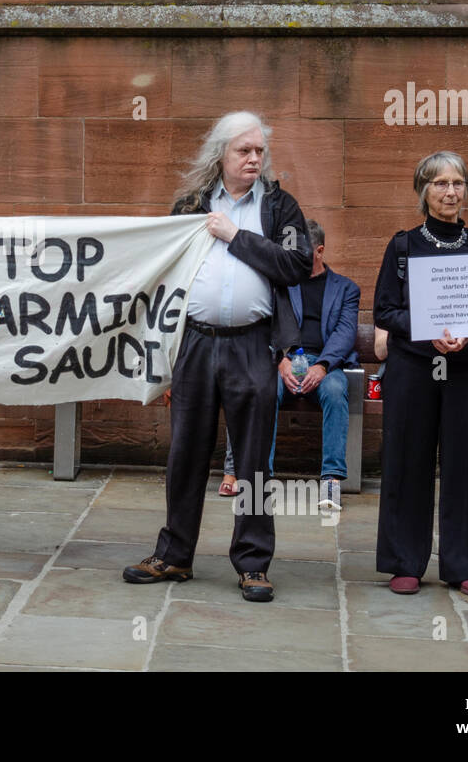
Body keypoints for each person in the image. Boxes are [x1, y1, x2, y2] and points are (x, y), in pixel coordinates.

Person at [122, 111, 312, 603]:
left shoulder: (279, 206)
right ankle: (175, 555)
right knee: (185, 451)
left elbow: (296, 265)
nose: (254, 159)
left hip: (253, 343)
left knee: (252, 460)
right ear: (220, 155)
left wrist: (235, 236)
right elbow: (159, 265)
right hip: (196, 343)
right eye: (243, 151)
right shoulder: (190, 205)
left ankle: (253, 564)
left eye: (259, 151)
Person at [373, 151, 468, 597]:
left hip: (467, 371)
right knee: (408, 459)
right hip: (412, 368)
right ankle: (404, 560)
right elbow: (385, 310)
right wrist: (429, 330)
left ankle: (466, 563)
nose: (450, 192)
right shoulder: (403, 246)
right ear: (423, 191)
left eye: (458, 183)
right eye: (440, 183)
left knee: (467, 461)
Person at [222, 218, 360, 510]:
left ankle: (332, 481)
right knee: (263, 391)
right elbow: (266, 325)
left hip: (325, 365)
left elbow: (345, 333)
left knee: (336, 392)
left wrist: (321, 366)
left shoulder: (346, 289)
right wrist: (280, 360)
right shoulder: (280, 284)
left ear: (319, 251)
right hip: (285, 361)